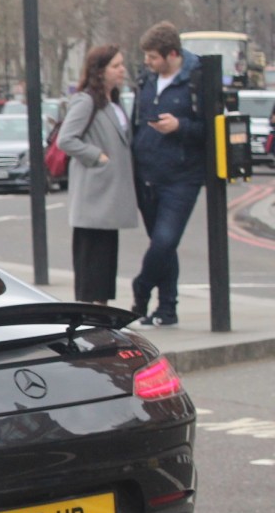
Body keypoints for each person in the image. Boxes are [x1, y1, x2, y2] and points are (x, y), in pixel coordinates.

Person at [130, 21, 206, 327]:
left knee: (164, 241)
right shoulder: (146, 80)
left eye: (153, 57)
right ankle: (167, 308)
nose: (147, 62)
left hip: (182, 176)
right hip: (147, 174)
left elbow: (210, 129)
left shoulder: (197, 80)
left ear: (172, 54)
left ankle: (141, 287)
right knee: (164, 247)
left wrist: (180, 126)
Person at [58, 45, 138, 305]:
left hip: (109, 194)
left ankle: (102, 311)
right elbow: (66, 139)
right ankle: (88, 313)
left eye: (122, 64)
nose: (122, 70)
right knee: (90, 256)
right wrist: (97, 156)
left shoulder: (115, 102)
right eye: (116, 66)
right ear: (99, 71)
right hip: (93, 194)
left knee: (106, 256)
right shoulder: (86, 100)